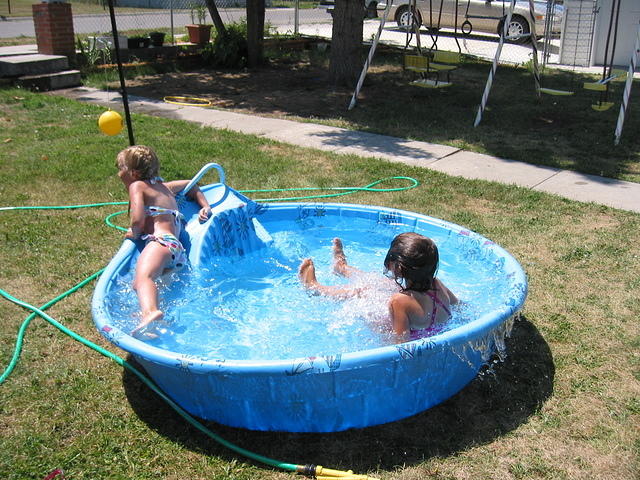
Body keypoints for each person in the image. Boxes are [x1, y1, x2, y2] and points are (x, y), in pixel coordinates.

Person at [116, 145, 212, 338]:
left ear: (133, 173)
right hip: (176, 250)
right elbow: (192, 185)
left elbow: (137, 219)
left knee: (142, 280)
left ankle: (151, 312)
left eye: (120, 168)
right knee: (155, 286)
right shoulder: (166, 187)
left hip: (160, 242)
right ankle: (152, 322)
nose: (118, 174)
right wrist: (205, 206)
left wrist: (134, 231)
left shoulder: (137, 186)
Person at [298, 233, 458, 342]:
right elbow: (458, 306)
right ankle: (341, 267)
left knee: (363, 292)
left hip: (415, 339)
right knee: (381, 282)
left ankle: (315, 289)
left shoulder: (399, 301)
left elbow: (399, 345)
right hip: (431, 328)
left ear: (398, 267)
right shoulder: (436, 283)